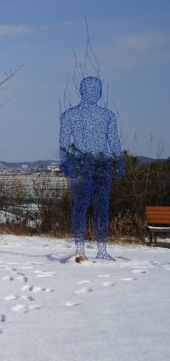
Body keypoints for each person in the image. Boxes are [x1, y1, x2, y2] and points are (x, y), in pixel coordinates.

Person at [59, 77, 124, 261]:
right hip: (81, 165)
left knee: (101, 207)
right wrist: (65, 163)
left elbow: (114, 141)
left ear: (101, 92)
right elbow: (64, 144)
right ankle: (80, 250)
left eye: (96, 90)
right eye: (89, 90)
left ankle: (101, 250)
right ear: (82, 91)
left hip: (102, 165)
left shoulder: (107, 116)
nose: (93, 93)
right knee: (80, 206)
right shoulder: (69, 115)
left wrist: (119, 162)